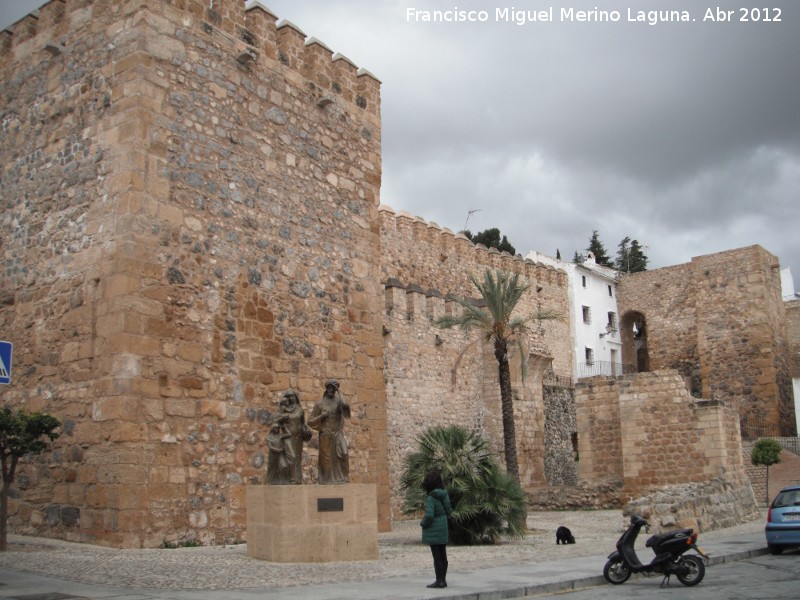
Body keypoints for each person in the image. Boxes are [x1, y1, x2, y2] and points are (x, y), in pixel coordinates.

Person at [307, 379, 350, 484]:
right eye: (330, 387)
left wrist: (339, 392)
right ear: (326, 388)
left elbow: (345, 406)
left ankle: (343, 478)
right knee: (325, 460)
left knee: (344, 453)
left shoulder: (339, 402)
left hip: (337, 433)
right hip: (325, 434)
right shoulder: (320, 404)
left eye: (334, 388)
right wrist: (321, 416)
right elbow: (310, 421)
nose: (332, 390)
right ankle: (325, 481)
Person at [267, 389, 311, 485]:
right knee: (291, 456)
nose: (290, 398)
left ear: (295, 397)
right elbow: (275, 421)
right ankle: (291, 478)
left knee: (297, 459)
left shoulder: (300, 410)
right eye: (288, 396)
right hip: (286, 437)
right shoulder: (282, 409)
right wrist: (281, 418)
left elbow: (302, 423)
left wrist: (306, 430)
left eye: (292, 396)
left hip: (297, 438)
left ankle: (296, 479)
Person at [420, 470, 452, 589]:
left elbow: (429, 515)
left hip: (433, 530)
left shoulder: (430, 498)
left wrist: (423, 523)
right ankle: (443, 579)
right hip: (443, 527)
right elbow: (449, 511)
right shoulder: (444, 495)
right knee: (443, 555)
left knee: (437, 557)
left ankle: (439, 580)